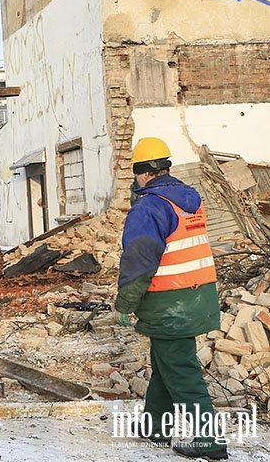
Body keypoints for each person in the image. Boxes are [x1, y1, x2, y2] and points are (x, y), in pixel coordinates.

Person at [114, 137, 227, 460]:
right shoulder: (187, 200)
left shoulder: (149, 206)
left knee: (182, 371)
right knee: (165, 363)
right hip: (197, 297)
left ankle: (210, 441)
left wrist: (125, 304)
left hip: (169, 304)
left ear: (143, 174)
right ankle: (156, 426)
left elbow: (140, 262)